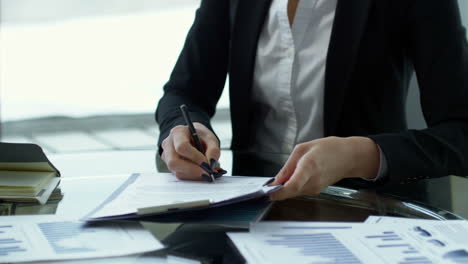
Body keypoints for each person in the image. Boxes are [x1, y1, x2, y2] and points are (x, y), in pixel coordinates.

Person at [156, 0, 468, 201]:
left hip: (371, 214)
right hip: (251, 208)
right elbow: (183, 93)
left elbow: (461, 132)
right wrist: (184, 129)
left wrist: (361, 155)